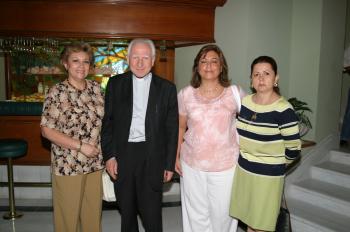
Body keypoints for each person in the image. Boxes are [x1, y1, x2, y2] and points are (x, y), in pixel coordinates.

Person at [101, 38, 179, 232]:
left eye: (145, 57)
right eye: (135, 57)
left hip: (152, 155)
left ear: (153, 60)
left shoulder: (167, 89)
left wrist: (169, 163)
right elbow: (107, 123)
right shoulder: (115, 84)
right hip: (124, 154)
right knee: (126, 212)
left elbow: (172, 129)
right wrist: (109, 156)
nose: (140, 62)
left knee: (152, 214)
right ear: (128, 59)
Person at [176, 44, 244, 232]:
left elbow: (250, 123)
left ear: (221, 66)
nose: (208, 65)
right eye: (203, 61)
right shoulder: (185, 94)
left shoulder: (235, 94)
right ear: (197, 67)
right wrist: (175, 156)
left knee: (223, 215)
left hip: (226, 165)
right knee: (196, 214)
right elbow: (181, 127)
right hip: (191, 163)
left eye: (214, 61)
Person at [229, 56, 301, 232]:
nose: (261, 78)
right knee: (249, 222)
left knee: (261, 224)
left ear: (276, 78)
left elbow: (293, 149)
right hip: (244, 172)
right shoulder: (245, 103)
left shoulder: (284, 109)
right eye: (256, 74)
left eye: (266, 73)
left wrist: (274, 165)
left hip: (267, 178)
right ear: (251, 80)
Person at [40, 42, 105, 232]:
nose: (81, 66)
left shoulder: (96, 89)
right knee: (67, 219)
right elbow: (47, 130)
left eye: (86, 62)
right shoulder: (57, 92)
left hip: (94, 162)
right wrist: (80, 146)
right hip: (68, 163)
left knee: (92, 216)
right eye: (75, 61)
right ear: (65, 64)